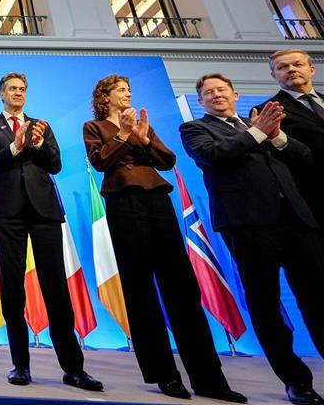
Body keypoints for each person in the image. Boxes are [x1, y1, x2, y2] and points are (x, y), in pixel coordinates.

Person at [84, 75, 245, 403]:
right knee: (140, 287)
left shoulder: (143, 122)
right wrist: (124, 135)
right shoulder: (94, 126)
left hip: (157, 199)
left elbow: (167, 161)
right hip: (123, 202)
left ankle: (208, 377)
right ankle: (164, 374)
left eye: (129, 90)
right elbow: (100, 161)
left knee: (183, 287)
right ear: (105, 97)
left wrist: (143, 139)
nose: (128, 94)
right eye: (121, 91)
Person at [181, 73, 324, 405]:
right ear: (201, 101)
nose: (216, 95)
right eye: (208, 92)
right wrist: (260, 132)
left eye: (222, 90)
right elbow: (215, 155)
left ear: (235, 94)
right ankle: (296, 380)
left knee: (318, 298)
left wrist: (275, 137)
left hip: (297, 222)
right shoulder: (196, 129)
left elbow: (304, 159)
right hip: (247, 225)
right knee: (266, 305)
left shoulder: (265, 126)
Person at [0, 73, 102, 392]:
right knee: (13, 288)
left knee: (56, 288)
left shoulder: (41, 125)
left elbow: (56, 164)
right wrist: (15, 148)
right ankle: (20, 365)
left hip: (45, 210)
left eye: (22, 89)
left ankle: (74, 369)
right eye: (12, 89)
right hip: (8, 212)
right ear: (1, 94)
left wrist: (37, 144)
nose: (18, 93)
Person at [259, 49, 324, 248]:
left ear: (311, 69)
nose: (291, 70)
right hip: (314, 198)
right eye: (283, 67)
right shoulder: (268, 111)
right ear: (273, 75)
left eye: (297, 64)